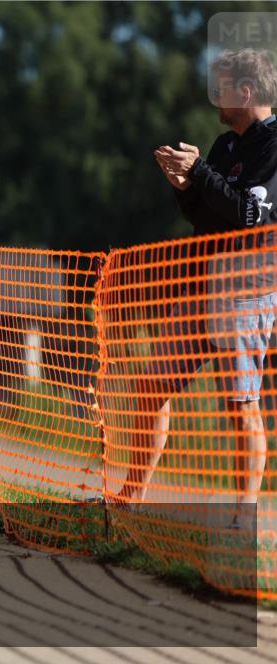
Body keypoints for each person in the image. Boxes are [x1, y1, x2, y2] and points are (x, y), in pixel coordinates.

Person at [119, 49, 277, 524]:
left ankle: (242, 519)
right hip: (203, 284)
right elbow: (208, 217)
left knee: (240, 406)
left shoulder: (273, 145)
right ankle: (129, 499)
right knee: (152, 385)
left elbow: (249, 215)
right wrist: (184, 186)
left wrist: (200, 174)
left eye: (221, 89)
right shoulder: (225, 145)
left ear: (245, 92)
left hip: (247, 289)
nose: (215, 98)